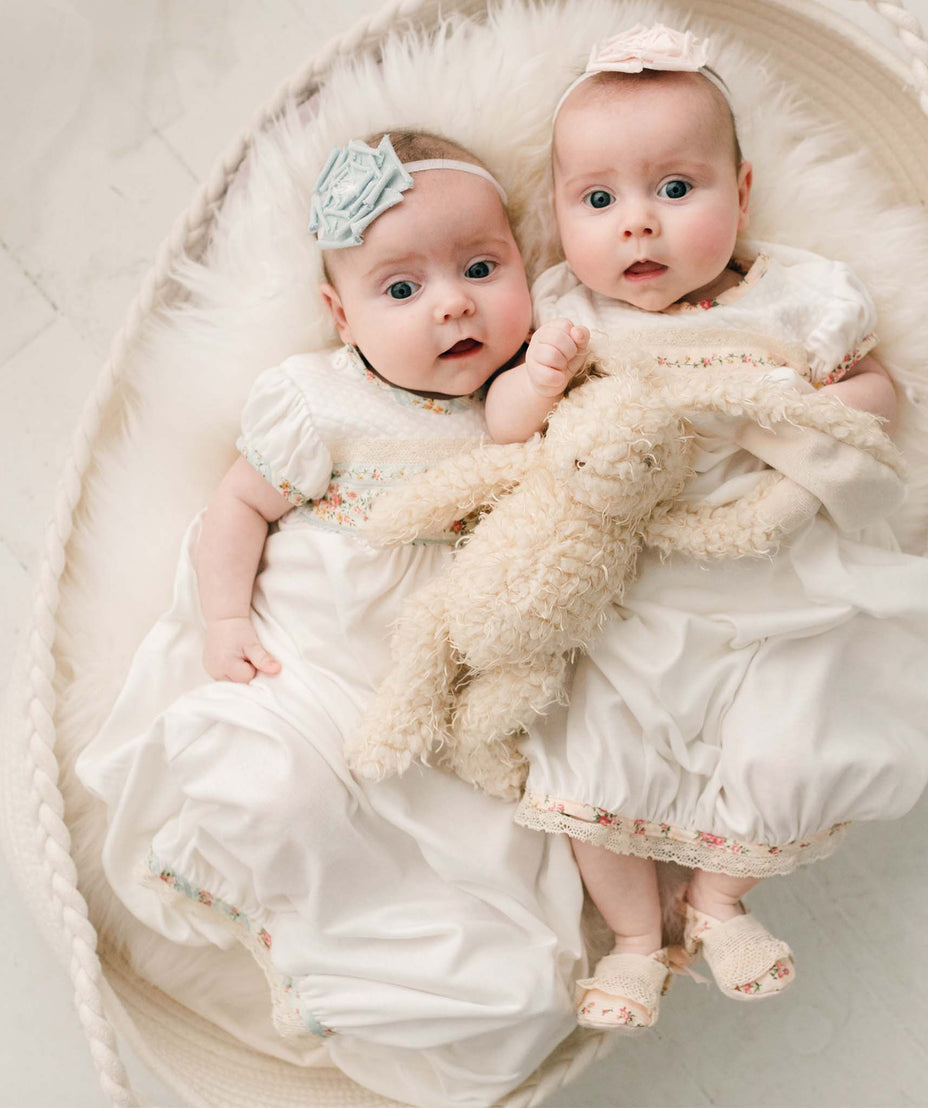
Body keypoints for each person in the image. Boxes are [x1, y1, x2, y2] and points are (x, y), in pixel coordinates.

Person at [76, 131, 586, 1108]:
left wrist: (554, 368)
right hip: (302, 677)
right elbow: (235, 508)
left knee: (474, 886)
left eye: (482, 268)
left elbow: (531, 435)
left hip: (423, 720)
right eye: (401, 290)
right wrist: (226, 618)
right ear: (337, 314)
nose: (451, 303)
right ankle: (273, 905)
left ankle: (345, 955)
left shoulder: (505, 411)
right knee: (265, 782)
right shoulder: (322, 404)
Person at [494, 25, 928, 1030]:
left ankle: (718, 902)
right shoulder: (568, 314)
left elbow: (874, 393)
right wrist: (538, 381)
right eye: (598, 200)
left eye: (676, 189)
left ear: (742, 193)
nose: (638, 226)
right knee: (585, 747)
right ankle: (634, 941)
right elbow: (506, 429)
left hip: (770, 576)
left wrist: (824, 410)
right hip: (629, 588)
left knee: (796, 717)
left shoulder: (797, 299)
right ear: (556, 214)